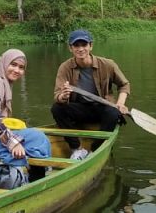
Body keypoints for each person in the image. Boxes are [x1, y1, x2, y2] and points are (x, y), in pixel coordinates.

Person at [51, 29, 130, 160]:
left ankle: (95, 150)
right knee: (57, 108)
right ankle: (77, 148)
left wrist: (120, 104)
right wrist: (63, 96)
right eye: (76, 45)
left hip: (102, 108)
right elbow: (57, 95)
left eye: (84, 45)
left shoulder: (107, 64)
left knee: (113, 113)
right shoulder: (65, 67)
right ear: (71, 48)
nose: (80, 49)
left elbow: (124, 85)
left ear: (91, 46)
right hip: (80, 109)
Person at [0, 49, 51, 189]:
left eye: (21, 67)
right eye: (13, 65)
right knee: (39, 139)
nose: (17, 70)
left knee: (29, 133)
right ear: (4, 62)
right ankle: (36, 179)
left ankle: (31, 173)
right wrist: (12, 142)